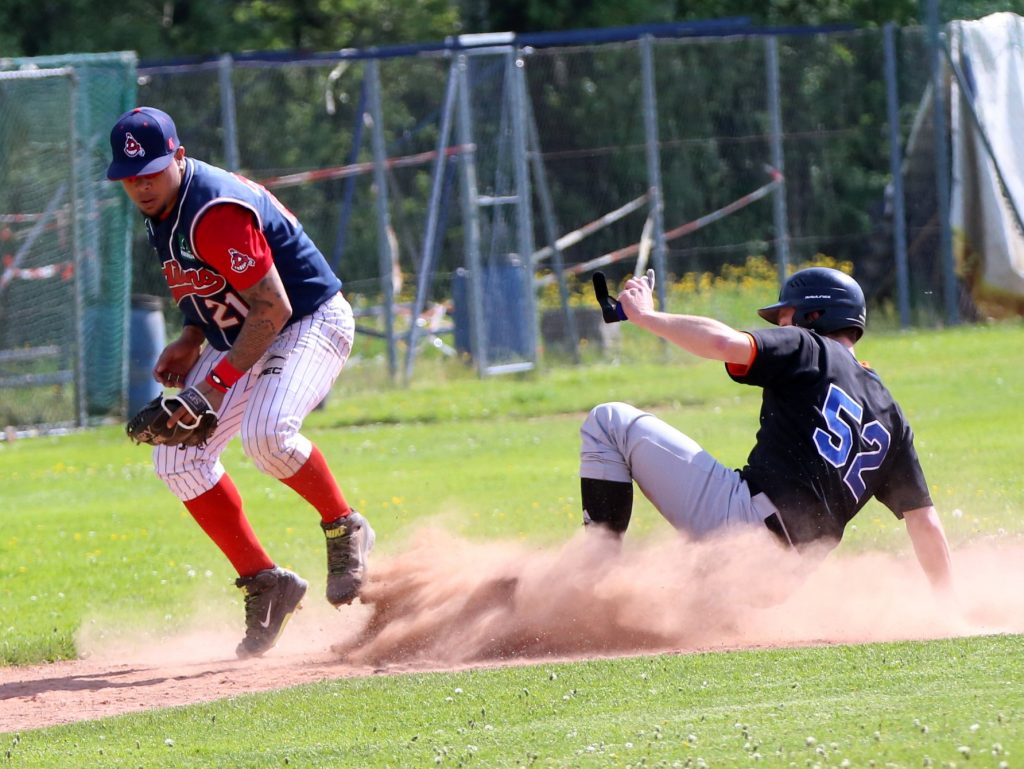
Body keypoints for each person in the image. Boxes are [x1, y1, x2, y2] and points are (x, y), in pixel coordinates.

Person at [107, 106, 375, 658]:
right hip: (246, 331)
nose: (141, 185)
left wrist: (214, 386)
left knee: (268, 435)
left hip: (305, 321)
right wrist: (189, 337)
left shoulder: (213, 211)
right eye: (131, 178)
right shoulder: (164, 205)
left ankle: (344, 525)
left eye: (152, 171)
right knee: (176, 460)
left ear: (179, 157)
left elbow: (273, 307)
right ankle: (266, 582)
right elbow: (206, 280)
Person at [580, 266, 954, 597]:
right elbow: (926, 526)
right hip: (782, 580)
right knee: (661, 599)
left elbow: (725, 343)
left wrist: (645, 315)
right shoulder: (892, 419)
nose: (781, 326)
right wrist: (948, 608)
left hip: (743, 530)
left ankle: (595, 580)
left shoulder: (809, 346)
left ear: (815, 314)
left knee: (608, 422)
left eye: (787, 316)